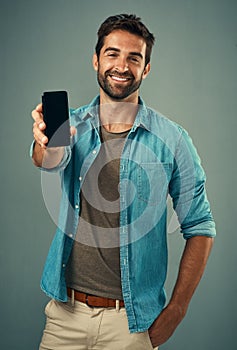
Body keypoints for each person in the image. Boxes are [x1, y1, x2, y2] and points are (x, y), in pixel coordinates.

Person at [31, 14, 216, 350]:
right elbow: (48, 160)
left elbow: (201, 227)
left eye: (134, 57)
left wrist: (176, 310)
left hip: (129, 326)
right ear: (96, 60)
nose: (122, 65)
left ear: (146, 69)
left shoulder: (173, 140)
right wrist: (46, 145)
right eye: (112, 53)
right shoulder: (70, 124)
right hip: (64, 316)